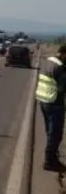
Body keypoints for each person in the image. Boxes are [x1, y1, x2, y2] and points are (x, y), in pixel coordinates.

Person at [35, 44, 66, 172]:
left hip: (43, 101)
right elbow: (62, 89)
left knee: (50, 132)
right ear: (64, 54)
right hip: (54, 104)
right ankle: (49, 161)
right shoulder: (60, 67)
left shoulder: (48, 61)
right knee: (56, 134)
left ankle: (52, 157)